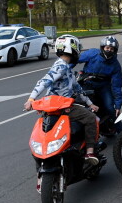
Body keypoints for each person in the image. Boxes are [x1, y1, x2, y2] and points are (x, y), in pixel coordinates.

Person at [24, 35, 100, 165]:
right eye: (77, 48)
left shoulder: (66, 68)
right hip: (63, 107)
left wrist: (90, 103)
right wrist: (31, 99)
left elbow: (77, 88)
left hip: (53, 107)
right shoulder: (61, 67)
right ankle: (90, 152)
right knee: (91, 118)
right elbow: (45, 81)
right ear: (73, 48)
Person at [73, 36, 122, 135]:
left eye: (112, 49)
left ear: (115, 51)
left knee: (110, 108)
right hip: (87, 83)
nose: (109, 50)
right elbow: (75, 60)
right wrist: (64, 68)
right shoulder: (92, 53)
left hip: (103, 86)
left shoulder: (115, 65)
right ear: (102, 47)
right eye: (107, 48)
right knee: (78, 103)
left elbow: (117, 85)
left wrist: (118, 105)